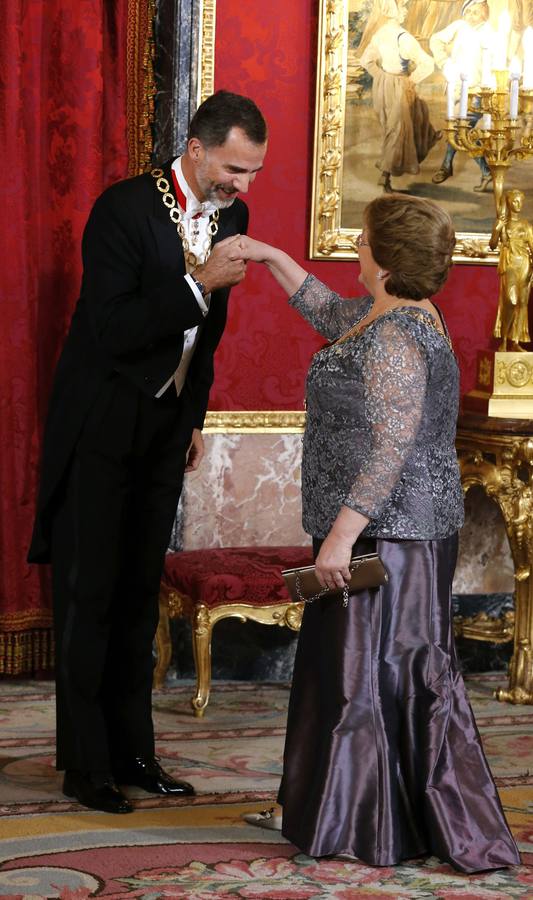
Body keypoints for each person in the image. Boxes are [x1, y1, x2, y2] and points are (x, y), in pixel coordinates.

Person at [239, 194, 520, 873]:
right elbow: (331, 314)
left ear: (386, 259)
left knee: (367, 678)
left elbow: (388, 449)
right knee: (354, 674)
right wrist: (273, 258)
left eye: (363, 240)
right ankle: (343, 811)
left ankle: (368, 824)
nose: (355, 247)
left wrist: (339, 539)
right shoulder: (392, 313)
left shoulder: (396, 336)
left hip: (388, 535)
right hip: (385, 527)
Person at [27, 90, 267, 814]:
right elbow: (115, 328)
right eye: (233, 168)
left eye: (253, 172)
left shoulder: (234, 215)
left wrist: (191, 415)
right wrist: (198, 284)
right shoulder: (122, 210)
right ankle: (86, 764)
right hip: (100, 421)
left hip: (166, 425)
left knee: (139, 596)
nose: (243, 187)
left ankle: (135, 753)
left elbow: (209, 337)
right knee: (91, 594)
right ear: (194, 148)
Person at [359, 0, 440, 193]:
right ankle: (385, 176)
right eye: (403, 7)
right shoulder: (404, 38)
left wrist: (380, 75)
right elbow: (427, 63)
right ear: (396, 12)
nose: (405, 11)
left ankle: (428, 137)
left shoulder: (379, 34)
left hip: (383, 85)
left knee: (416, 113)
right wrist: (411, 80)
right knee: (397, 130)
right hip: (398, 86)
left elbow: (366, 60)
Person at [430, 0, 494, 191]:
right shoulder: (459, 27)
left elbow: (494, 65)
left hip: (478, 92)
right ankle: (454, 166)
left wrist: (486, 90)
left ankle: (483, 171)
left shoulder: (491, 34)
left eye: (476, 12)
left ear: (484, 13)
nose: (471, 16)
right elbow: (435, 39)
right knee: (458, 131)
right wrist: (443, 62)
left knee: (461, 131)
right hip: (458, 89)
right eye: (468, 11)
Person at [490, 188, 533, 351]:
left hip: (524, 264)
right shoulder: (503, 223)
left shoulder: (526, 225)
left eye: (520, 201)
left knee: (522, 303)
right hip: (509, 263)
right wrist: (497, 229)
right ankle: (505, 339)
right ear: (508, 203)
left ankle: (515, 341)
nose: (518, 204)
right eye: (515, 201)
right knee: (511, 300)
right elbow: (493, 245)